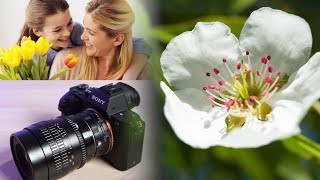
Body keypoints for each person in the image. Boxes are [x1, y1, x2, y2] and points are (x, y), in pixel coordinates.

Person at [17, 0, 151, 79]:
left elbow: (133, 41)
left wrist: (128, 79)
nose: (67, 33)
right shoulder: (30, 57)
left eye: (69, 23)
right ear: (37, 31)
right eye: (57, 30)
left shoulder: (75, 32)